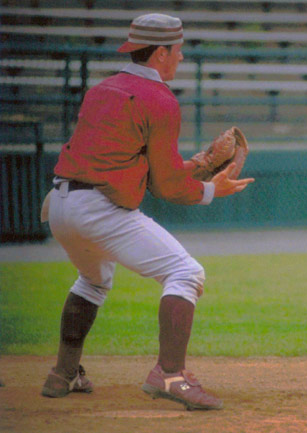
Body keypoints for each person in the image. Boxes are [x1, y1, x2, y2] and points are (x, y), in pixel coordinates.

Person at [40, 13, 254, 410]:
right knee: (185, 272)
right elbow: (168, 187)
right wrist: (211, 189)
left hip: (59, 204)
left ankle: (63, 373)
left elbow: (146, 172)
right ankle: (169, 376)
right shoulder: (160, 99)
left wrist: (200, 164)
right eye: (178, 50)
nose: (182, 58)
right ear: (160, 53)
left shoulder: (102, 89)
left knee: (93, 279)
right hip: (97, 209)